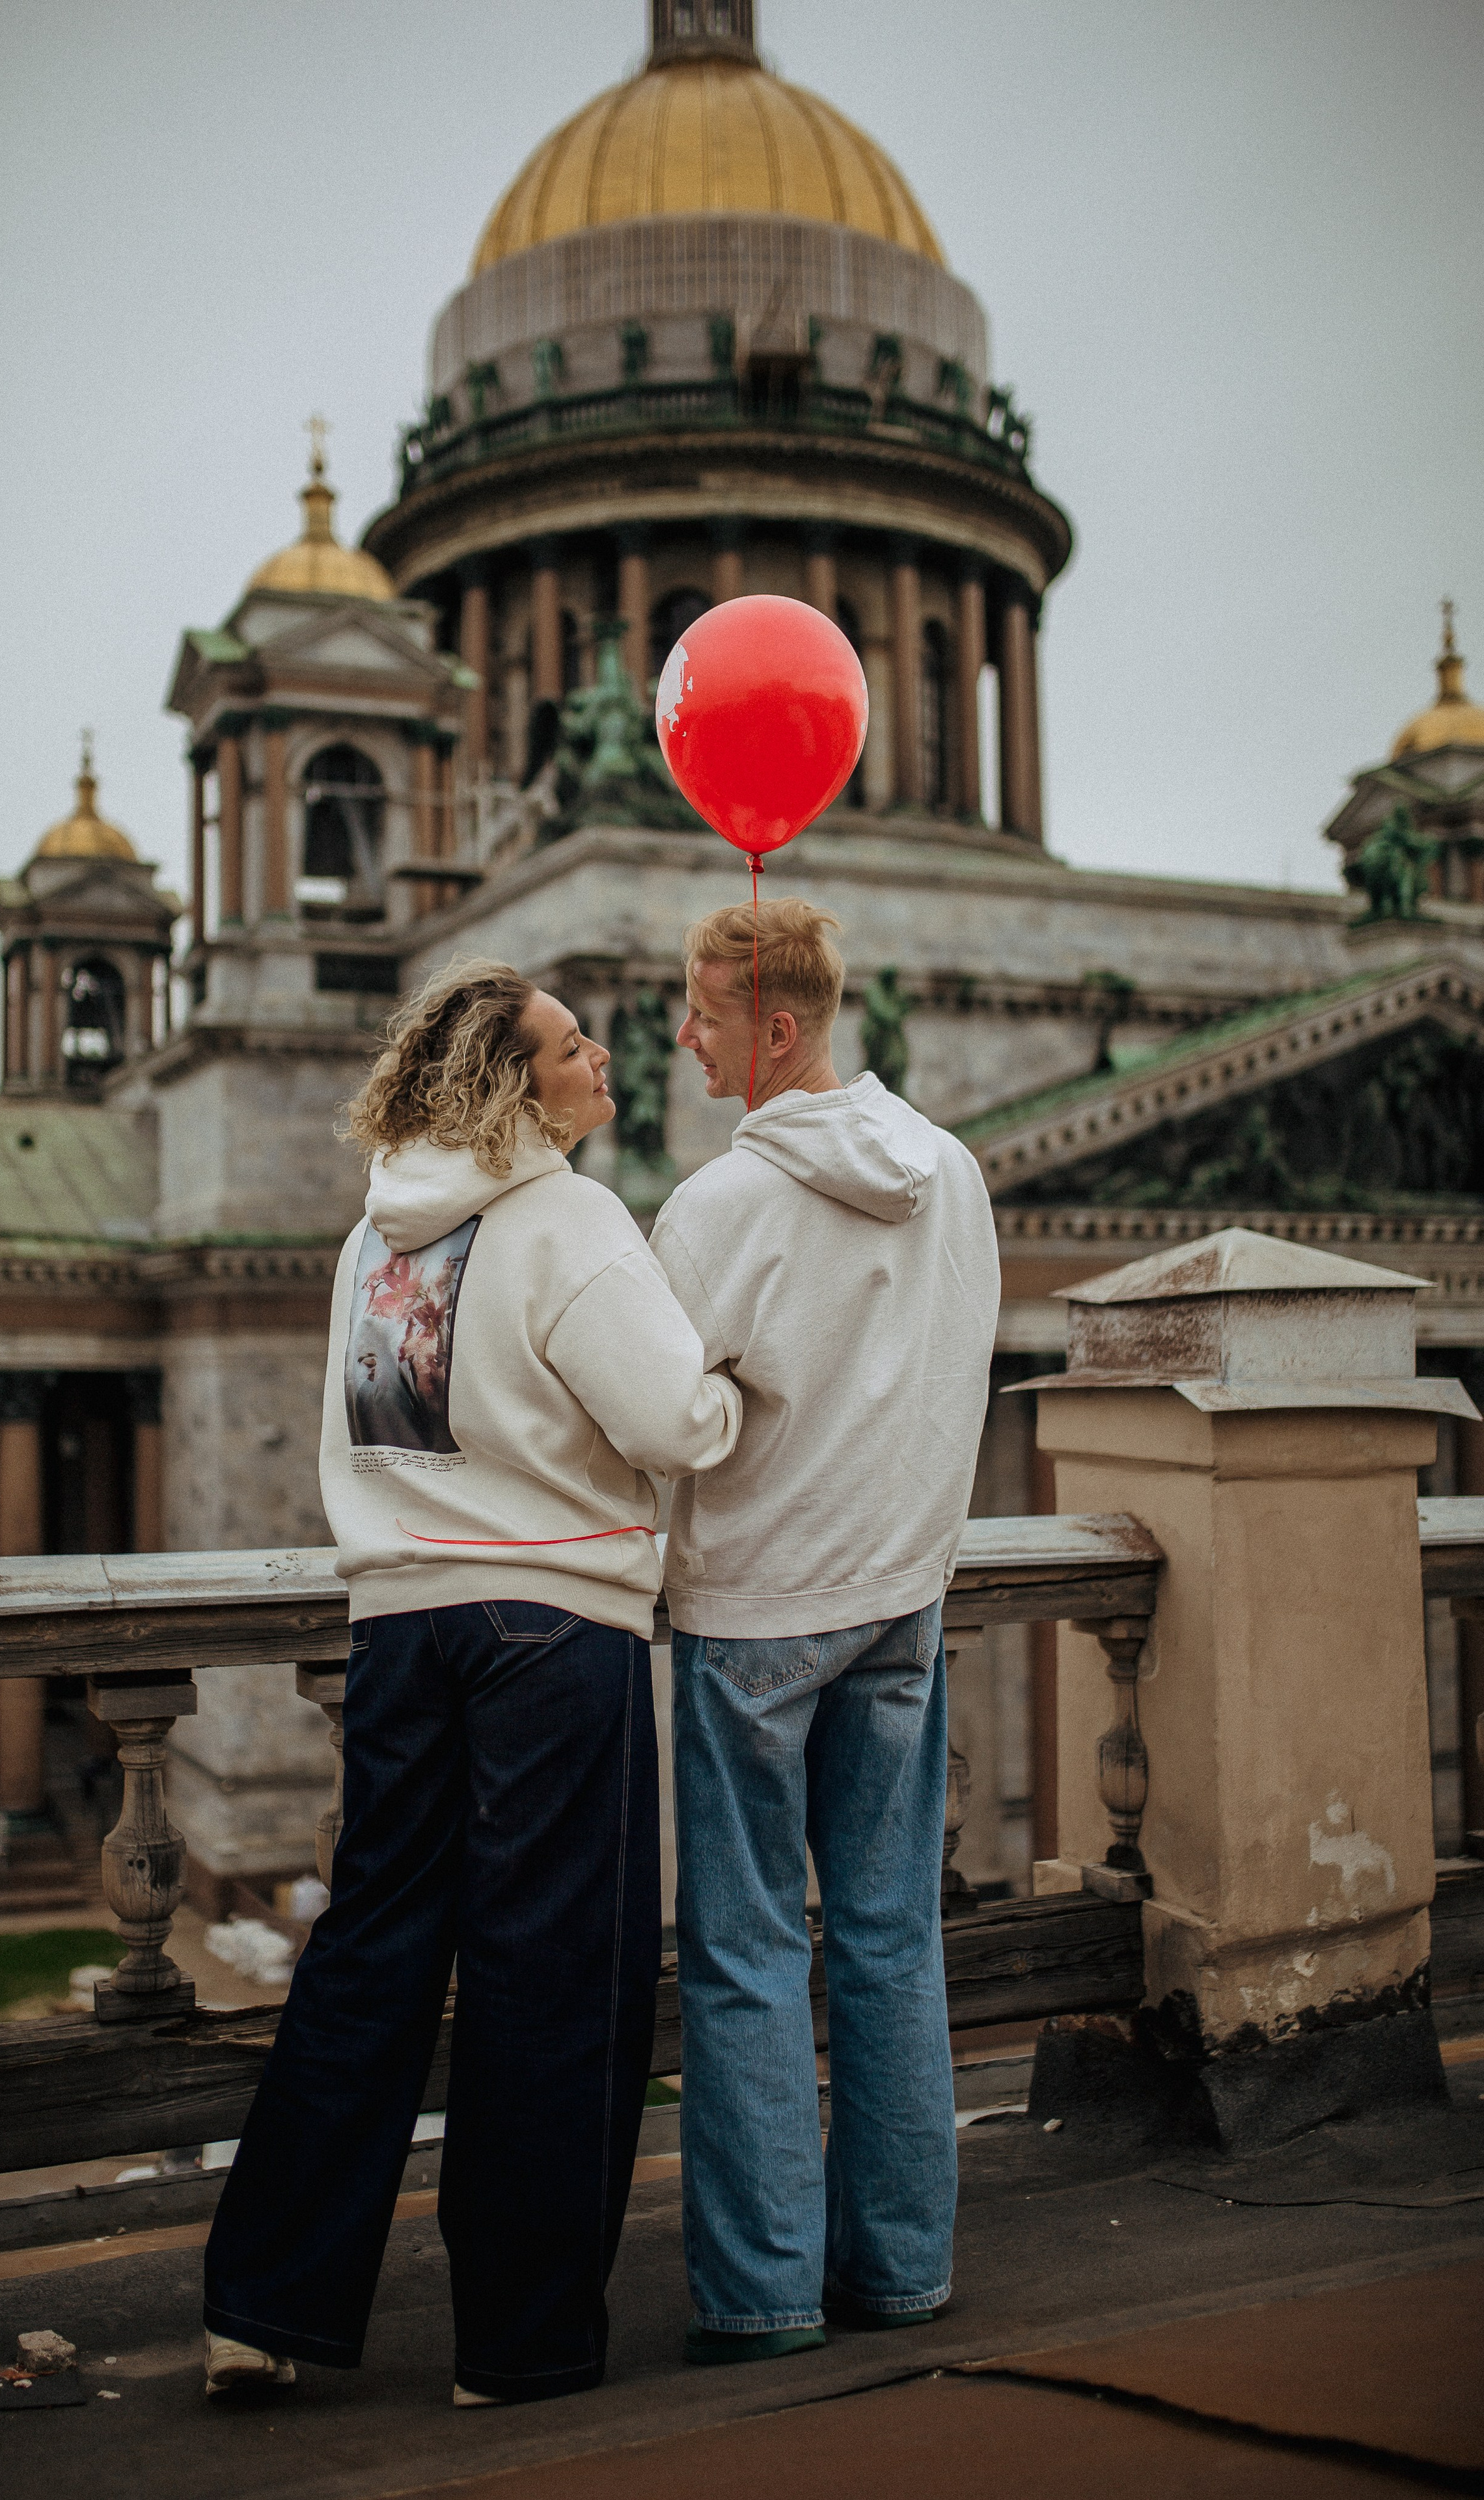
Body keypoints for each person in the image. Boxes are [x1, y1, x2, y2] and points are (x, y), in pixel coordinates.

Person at [203, 959, 741, 2404]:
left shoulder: (371, 1238)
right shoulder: (565, 1216)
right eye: (572, 1046)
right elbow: (673, 1421)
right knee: (548, 1977)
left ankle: (262, 2306)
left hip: (399, 1625)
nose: (602, 1056)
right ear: (515, 1087)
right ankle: (517, 2341)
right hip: (549, 1624)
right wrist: (732, 1383)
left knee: (368, 1955)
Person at [649, 900, 1000, 2363]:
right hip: (901, 1605)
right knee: (886, 1937)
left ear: (774, 1029)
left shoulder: (711, 1209)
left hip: (749, 1619)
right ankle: (902, 2267)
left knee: (740, 1954)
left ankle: (761, 2294)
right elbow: (960, 1365)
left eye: (700, 1012)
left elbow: (659, 1420)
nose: (681, 1035)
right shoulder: (954, 1174)